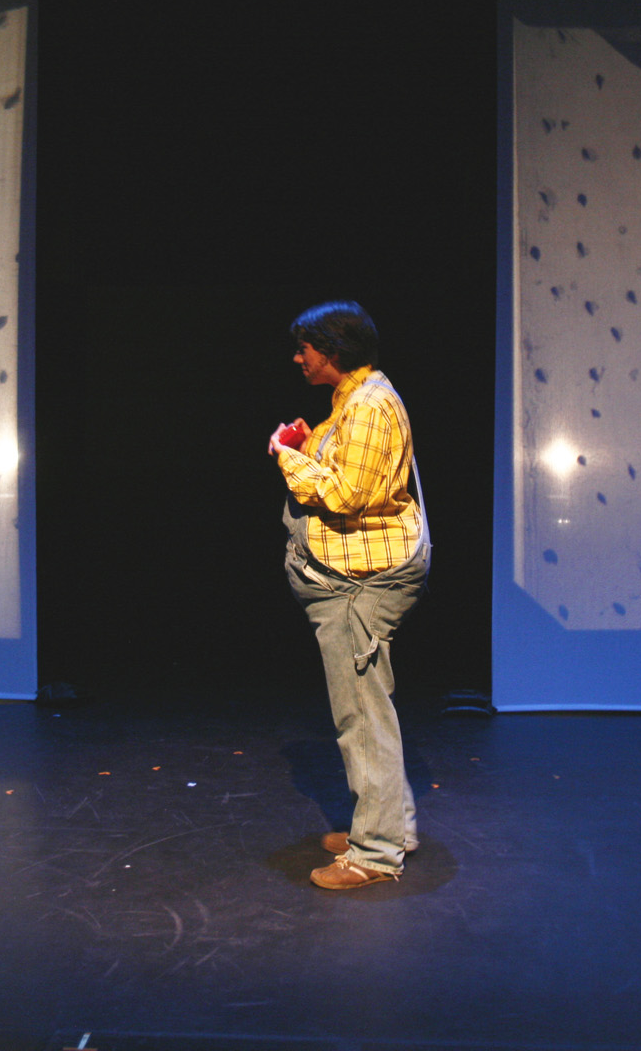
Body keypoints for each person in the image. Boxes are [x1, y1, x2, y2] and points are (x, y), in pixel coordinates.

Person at [268, 301, 430, 890]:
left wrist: (287, 457)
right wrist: (308, 441)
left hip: (364, 581)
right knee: (369, 709)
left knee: (361, 717)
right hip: (355, 576)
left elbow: (346, 495)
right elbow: (351, 470)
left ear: (332, 352)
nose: (298, 358)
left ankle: (377, 853)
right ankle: (390, 828)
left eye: (305, 349)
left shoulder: (368, 405)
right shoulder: (355, 398)